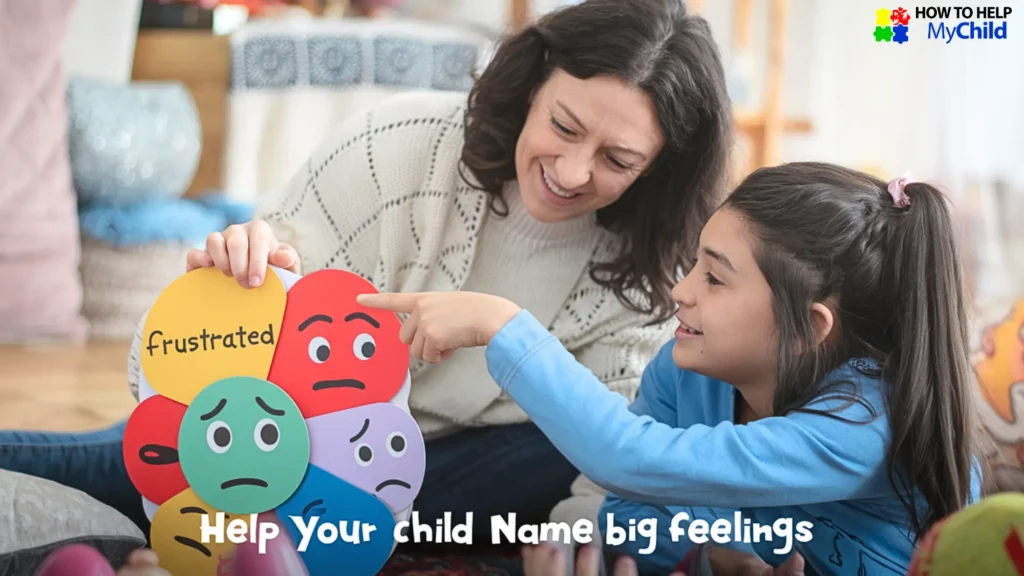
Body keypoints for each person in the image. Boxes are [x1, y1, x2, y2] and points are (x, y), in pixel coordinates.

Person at [0, 0, 732, 541]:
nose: (572, 172)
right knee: (116, 465)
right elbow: (283, 260)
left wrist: (579, 545)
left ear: (661, 169)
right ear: (535, 83)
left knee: (567, 436)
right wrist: (245, 267)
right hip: (289, 435)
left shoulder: (660, 270)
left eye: (618, 160)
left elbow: (611, 446)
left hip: (457, 475)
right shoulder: (403, 142)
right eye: (564, 128)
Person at [357, 162, 987, 574]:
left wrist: (501, 327)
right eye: (694, 265)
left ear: (808, 329)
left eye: (714, 278)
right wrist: (711, 550)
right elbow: (612, 510)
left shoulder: (866, 421)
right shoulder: (683, 372)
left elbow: (628, 460)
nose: (681, 293)